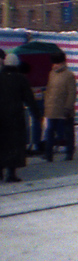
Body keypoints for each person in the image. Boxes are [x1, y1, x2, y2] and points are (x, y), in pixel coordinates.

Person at [0, 52, 36, 182]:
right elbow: (29, 99)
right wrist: (36, 114)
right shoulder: (21, 79)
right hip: (15, 117)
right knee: (14, 145)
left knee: (2, 143)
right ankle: (11, 173)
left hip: (1, 117)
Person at [42, 49, 77, 161]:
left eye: (56, 63)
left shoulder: (69, 75)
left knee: (68, 131)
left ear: (62, 63)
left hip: (64, 109)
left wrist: (68, 107)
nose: (55, 66)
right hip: (52, 109)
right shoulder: (51, 74)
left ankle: (69, 152)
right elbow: (49, 90)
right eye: (54, 63)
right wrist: (46, 105)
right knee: (50, 131)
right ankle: (48, 154)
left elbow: (72, 93)